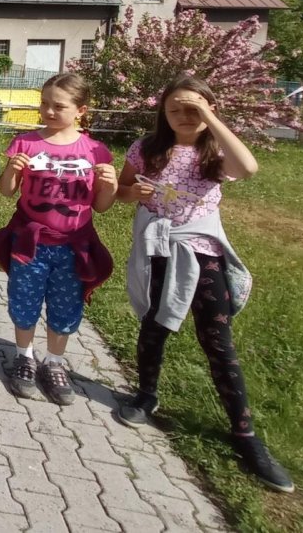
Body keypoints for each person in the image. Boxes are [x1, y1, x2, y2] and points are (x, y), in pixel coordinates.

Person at [114, 75, 293, 493]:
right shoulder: (147, 149)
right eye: (174, 108)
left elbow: (248, 168)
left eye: (192, 108)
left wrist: (209, 118)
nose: (184, 115)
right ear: (163, 112)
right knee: (153, 326)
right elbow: (122, 191)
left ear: (209, 109)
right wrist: (134, 193)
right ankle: (146, 395)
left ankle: (245, 433)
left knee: (217, 339)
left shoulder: (214, 150)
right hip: (160, 251)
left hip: (203, 253)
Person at [0, 73, 117, 404]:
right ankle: (24, 357)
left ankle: (55, 362)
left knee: (66, 305)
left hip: (74, 246)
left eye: (58, 106)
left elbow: (101, 206)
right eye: (44, 103)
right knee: (24, 300)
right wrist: (12, 169)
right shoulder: (26, 143)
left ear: (81, 110)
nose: (48, 111)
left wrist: (111, 185)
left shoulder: (95, 151)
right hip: (30, 243)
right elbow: (7, 191)